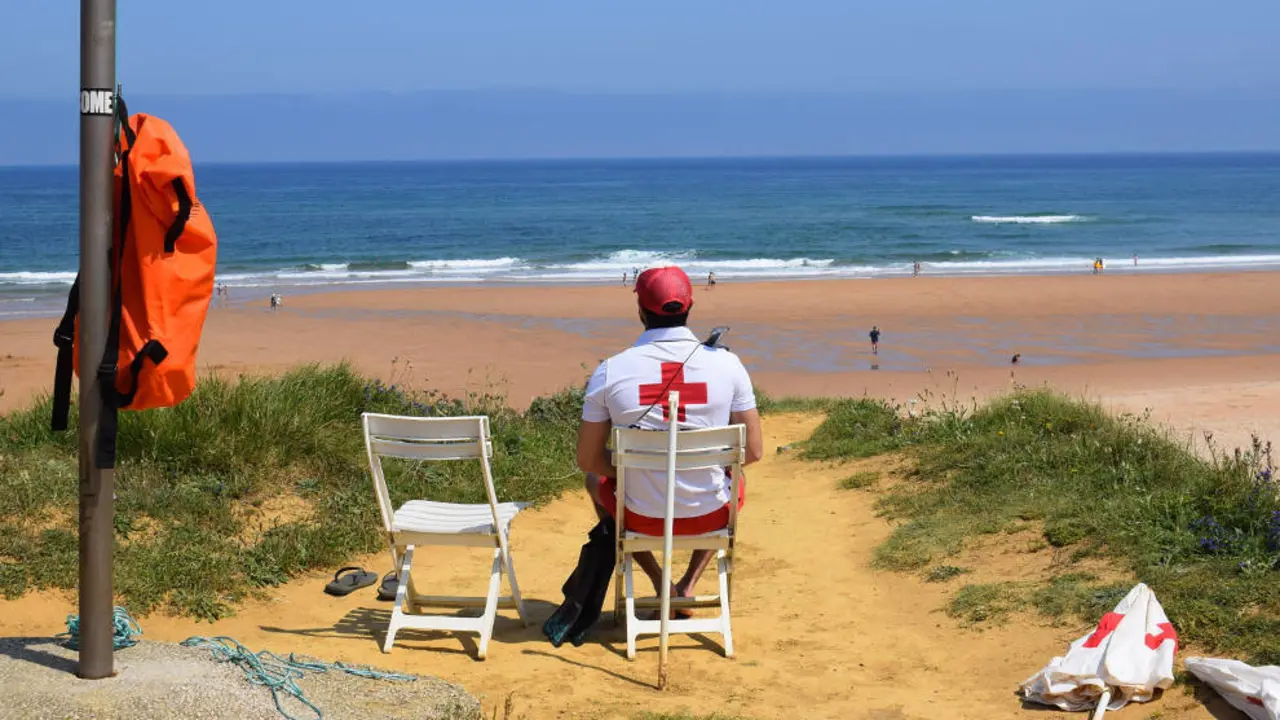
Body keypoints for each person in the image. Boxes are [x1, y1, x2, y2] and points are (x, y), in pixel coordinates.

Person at [576, 265, 763, 607]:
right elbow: (752, 451)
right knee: (736, 477)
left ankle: (659, 579)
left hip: (639, 516)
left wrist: (639, 470)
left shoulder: (611, 370)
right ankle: (688, 584)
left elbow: (588, 459)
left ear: (640, 311)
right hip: (711, 513)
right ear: (690, 307)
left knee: (593, 479)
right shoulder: (728, 365)